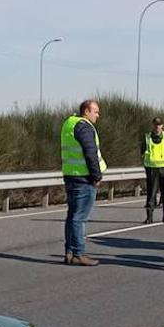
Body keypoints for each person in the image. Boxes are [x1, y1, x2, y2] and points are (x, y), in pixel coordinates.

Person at [60, 100, 105, 266]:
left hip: (70, 175)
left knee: (72, 216)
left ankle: (69, 252)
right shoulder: (84, 126)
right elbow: (90, 152)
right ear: (86, 111)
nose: (97, 115)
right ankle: (79, 253)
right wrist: (96, 176)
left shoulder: (69, 124)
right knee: (79, 218)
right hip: (84, 178)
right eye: (96, 112)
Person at [142, 117, 164, 224]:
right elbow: (142, 151)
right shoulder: (147, 137)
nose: (157, 127)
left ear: (162, 125)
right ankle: (149, 217)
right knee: (151, 194)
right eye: (155, 125)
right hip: (152, 169)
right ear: (153, 125)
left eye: (159, 125)